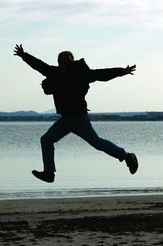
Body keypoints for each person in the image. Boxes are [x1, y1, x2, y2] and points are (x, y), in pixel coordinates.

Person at [14, 44, 138, 183]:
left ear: (72, 61)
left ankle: (127, 156)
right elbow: (39, 65)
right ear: (59, 63)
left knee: (97, 143)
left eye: (66, 61)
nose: (64, 64)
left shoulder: (81, 73)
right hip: (67, 119)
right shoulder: (55, 73)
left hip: (79, 118)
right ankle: (49, 173)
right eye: (62, 61)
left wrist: (122, 71)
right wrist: (24, 55)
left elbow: (102, 74)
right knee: (47, 140)